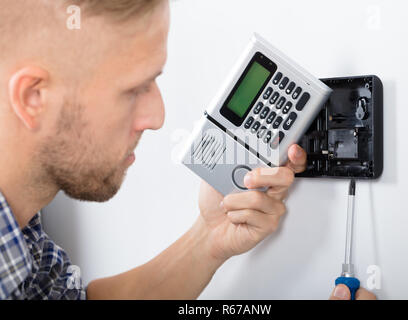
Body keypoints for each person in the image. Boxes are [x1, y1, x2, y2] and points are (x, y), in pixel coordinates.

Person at [0, 0, 375, 300]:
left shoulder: (23, 232)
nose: (158, 117)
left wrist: (209, 238)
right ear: (34, 98)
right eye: (133, 88)